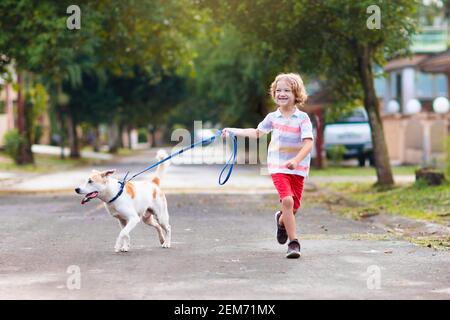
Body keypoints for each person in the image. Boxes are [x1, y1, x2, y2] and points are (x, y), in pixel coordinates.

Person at [222, 73, 314, 259]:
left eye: (286, 90)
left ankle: (281, 221)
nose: (281, 93)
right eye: (278, 90)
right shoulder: (273, 117)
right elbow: (257, 132)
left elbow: (308, 143)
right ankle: (294, 243)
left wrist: (296, 160)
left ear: (296, 93)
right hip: (278, 166)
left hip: (298, 167)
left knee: (293, 208)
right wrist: (232, 130)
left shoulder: (302, 118)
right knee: (287, 201)